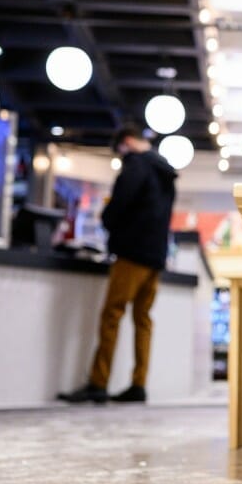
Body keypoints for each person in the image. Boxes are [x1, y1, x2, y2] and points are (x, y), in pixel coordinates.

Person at [59, 124, 178, 404]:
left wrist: (107, 221)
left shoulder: (135, 165)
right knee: (143, 320)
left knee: (112, 315)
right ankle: (138, 384)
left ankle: (98, 383)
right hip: (156, 255)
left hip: (132, 253)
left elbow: (120, 204)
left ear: (125, 143)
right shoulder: (166, 172)